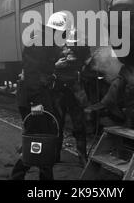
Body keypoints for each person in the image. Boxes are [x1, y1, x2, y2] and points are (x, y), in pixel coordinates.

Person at [11, 21, 63, 180]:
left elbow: (41, 68)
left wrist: (54, 67)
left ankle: (38, 175)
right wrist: (35, 103)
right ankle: (20, 174)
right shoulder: (39, 40)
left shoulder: (44, 39)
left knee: (41, 137)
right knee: (38, 137)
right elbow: (32, 73)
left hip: (38, 95)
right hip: (34, 98)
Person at [51, 25, 91, 166]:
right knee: (57, 124)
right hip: (59, 90)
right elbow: (44, 66)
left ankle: (82, 157)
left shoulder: (80, 43)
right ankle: (54, 155)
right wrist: (55, 65)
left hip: (75, 89)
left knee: (79, 125)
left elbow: (87, 60)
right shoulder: (53, 45)